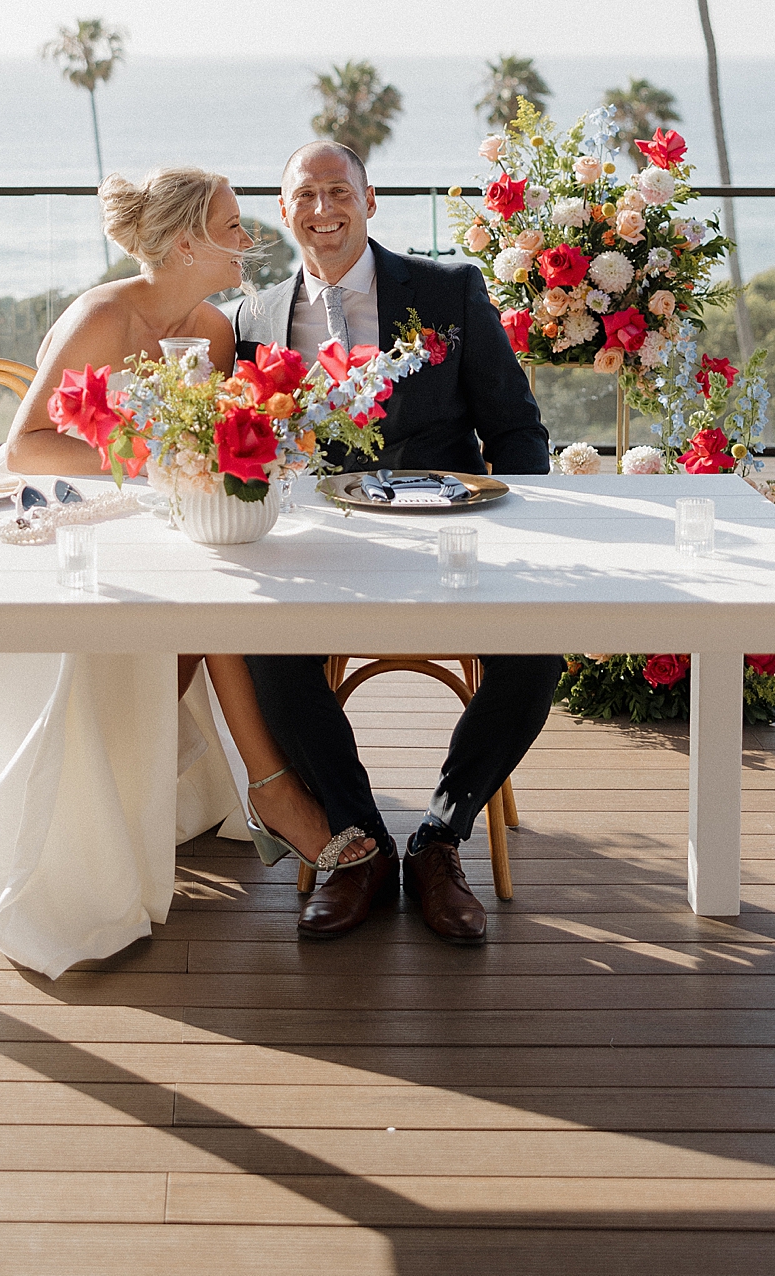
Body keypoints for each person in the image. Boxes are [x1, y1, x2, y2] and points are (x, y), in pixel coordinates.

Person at [1, 166, 375, 876]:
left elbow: (208, 444)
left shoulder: (211, 329)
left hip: (150, 512)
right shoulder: (103, 316)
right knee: (212, 588)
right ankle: (268, 793)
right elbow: (26, 449)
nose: (249, 239)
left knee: (215, 572)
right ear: (183, 248)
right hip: (57, 513)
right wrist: (158, 460)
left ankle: (125, 779)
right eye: (233, 226)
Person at [233, 139, 558, 947]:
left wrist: (523, 534)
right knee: (261, 649)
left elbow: (517, 428)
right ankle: (363, 846)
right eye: (304, 196)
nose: (322, 210)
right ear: (283, 213)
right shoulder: (255, 318)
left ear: (370, 199)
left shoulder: (447, 291)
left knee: (541, 649)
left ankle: (442, 839)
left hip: (453, 543)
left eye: (337, 191)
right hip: (320, 557)